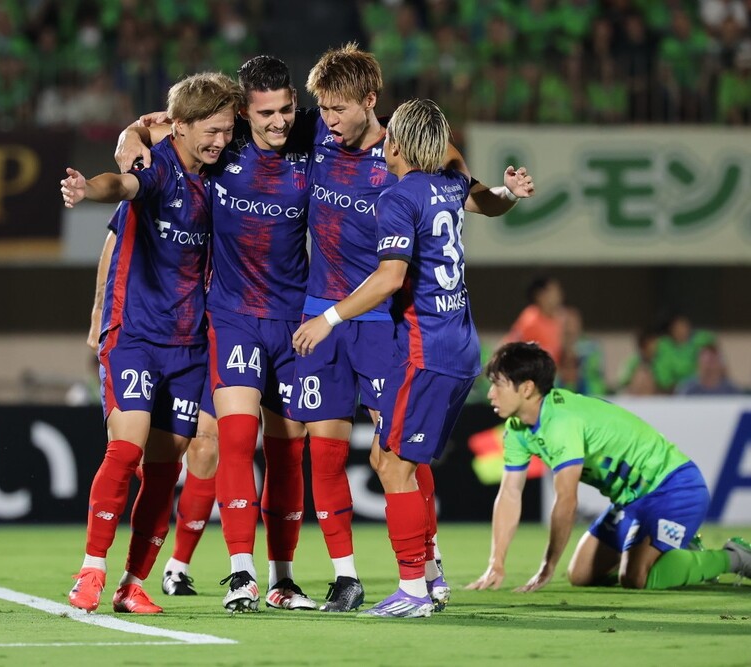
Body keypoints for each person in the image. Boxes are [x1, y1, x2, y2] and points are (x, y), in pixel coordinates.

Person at [293, 43, 533, 613]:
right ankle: (366, 578)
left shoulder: (409, 179)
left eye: (338, 108)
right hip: (439, 335)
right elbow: (476, 198)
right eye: (322, 108)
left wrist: (329, 317)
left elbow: (394, 272)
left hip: (396, 328)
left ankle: (419, 579)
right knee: (366, 455)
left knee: (397, 460)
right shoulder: (320, 134)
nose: (328, 119)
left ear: (372, 104)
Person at [115, 55, 318, 613]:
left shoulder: (312, 138)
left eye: (285, 110)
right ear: (243, 112)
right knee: (225, 441)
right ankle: (235, 572)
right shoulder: (222, 143)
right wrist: (130, 135)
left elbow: (381, 133)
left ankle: (282, 579)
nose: (278, 121)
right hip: (228, 317)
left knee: (287, 451)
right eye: (264, 113)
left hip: (293, 320)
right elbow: (153, 128)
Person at [60, 71, 243, 615]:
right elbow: (122, 186)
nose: (220, 140)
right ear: (179, 127)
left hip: (189, 347)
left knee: (165, 470)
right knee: (126, 448)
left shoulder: (221, 176)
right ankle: (91, 569)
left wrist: (137, 128)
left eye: (227, 131)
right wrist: (87, 189)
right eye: (211, 130)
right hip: (135, 334)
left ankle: (132, 583)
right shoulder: (158, 166)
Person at [466, 342, 751, 593]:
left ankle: (734, 557)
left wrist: (546, 568)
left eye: (498, 384)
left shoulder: (561, 422)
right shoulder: (517, 428)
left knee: (635, 578)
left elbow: (567, 502)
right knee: (580, 575)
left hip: (674, 488)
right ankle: (675, 553)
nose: (490, 394)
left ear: (527, 388)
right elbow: (509, 494)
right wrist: (496, 563)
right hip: (631, 501)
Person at [88, 211, 220, 600]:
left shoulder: (234, 183)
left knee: (205, 447)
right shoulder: (161, 182)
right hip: (151, 331)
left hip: (213, 331)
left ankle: (177, 566)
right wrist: (98, 310)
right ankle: (98, 567)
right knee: (138, 453)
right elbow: (116, 237)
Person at [502, 276, 565, 366]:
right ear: (540, 295)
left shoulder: (559, 319)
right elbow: (509, 344)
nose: (559, 295)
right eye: (554, 291)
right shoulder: (530, 319)